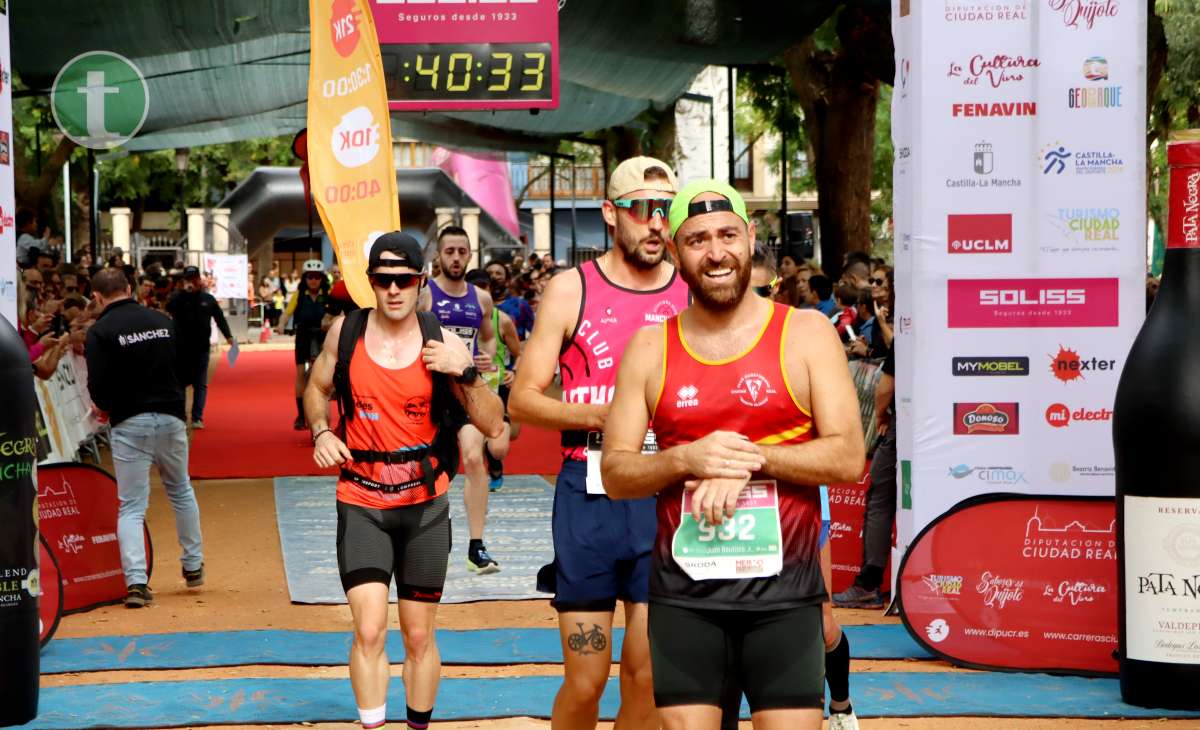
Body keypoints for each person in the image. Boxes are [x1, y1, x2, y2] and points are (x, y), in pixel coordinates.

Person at [600, 180, 865, 730]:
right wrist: (686, 459)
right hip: (684, 598)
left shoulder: (807, 333)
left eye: (726, 235)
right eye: (697, 239)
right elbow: (616, 473)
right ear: (675, 253)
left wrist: (747, 458)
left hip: (785, 596)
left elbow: (847, 458)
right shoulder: (650, 348)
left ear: (749, 239)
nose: (715, 252)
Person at [508, 156, 690, 730]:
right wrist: (603, 414)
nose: (658, 224)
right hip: (588, 497)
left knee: (648, 676)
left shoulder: (691, 291)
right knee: (586, 682)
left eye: (667, 210)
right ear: (612, 214)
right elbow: (523, 398)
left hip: (663, 496)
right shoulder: (571, 289)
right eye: (644, 210)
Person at [304, 232, 504, 730]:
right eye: (383, 280)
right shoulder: (344, 334)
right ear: (370, 283)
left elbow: (494, 425)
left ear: (420, 282)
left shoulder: (443, 341)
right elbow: (316, 387)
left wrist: (468, 374)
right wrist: (321, 429)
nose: (393, 289)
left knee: (418, 638)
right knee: (369, 631)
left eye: (404, 280)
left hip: (425, 507)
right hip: (361, 502)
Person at [84, 268, 205, 608]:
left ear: (96, 296)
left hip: (130, 421)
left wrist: (105, 408)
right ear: (130, 288)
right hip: (169, 415)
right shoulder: (163, 321)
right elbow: (186, 367)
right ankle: (193, 564)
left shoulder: (100, 331)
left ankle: (136, 581)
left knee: (132, 505)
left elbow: (98, 384)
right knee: (180, 488)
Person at [421, 226, 501, 574]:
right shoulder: (425, 295)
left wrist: (485, 359)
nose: (456, 258)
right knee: (427, 465)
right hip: (429, 393)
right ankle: (419, 539)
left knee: (473, 457)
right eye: (449, 251)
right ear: (439, 256)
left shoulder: (481, 299)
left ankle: (476, 547)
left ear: (471, 255)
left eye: (462, 252)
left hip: (466, 391)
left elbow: (488, 340)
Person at [834, 343, 895, 611]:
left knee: (880, 499)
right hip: (944, 427)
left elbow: (886, 385)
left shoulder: (910, 324)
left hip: (904, 427)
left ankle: (868, 586)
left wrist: (881, 415)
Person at [465, 268, 523, 492]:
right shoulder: (458, 316)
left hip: (497, 386)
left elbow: (520, 354)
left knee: (499, 448)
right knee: (472, 444)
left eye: (484, 289)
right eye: (475, 290)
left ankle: (495, 463)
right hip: (467, 386)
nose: (480, 295)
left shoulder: (503, 320)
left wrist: (514, 372)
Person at [165, 266, 234, 430]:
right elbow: (169, 308)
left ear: (199, 279)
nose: (192, 282)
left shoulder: (207, 299)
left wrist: (229, 336)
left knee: (200, 383)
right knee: (180, 384)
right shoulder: (177, 298)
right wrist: (182, 292)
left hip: (201, 348)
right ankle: (180, 416)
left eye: (194, 278)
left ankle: (197, 417)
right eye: (188, 279)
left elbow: (219, 318)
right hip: (180, 349)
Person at [284, 259, 333, 429]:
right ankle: (300, 415)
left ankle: (323, 407)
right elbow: (287, 312)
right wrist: (281, 325)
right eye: (310, 276)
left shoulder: (329, 294)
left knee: (324, 371)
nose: (314, 280)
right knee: (300, 374)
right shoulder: (299, 295)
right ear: (305, 278)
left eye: (317, 277)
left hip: (322, 335)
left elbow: (336, 312)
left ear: (322, 278)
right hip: (303, 334)